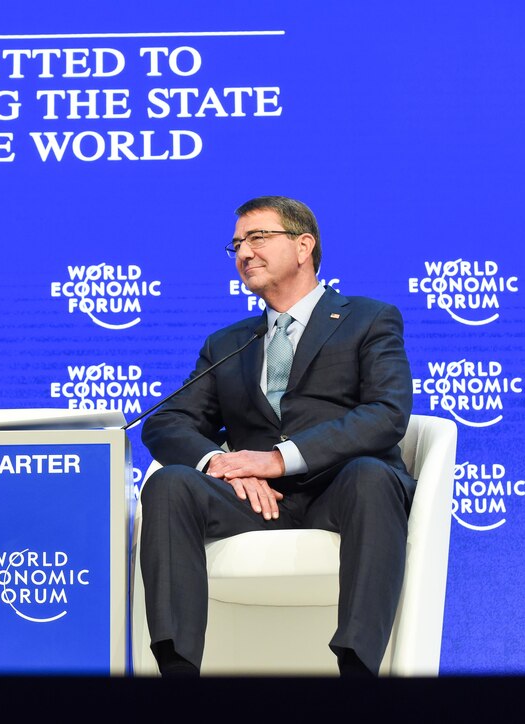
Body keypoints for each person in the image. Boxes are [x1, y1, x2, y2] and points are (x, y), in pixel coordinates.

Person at [140, 196, 415, 678]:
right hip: (254, 502)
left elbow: (386, 414)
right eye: (237, 244)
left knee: (373, 476)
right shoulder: (228, 342)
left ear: (304, 245)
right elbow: (165, 422)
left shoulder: (369, 319)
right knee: (169, 484)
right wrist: (220, 464)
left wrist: (278, 458)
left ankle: (357, 669)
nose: (244, 252)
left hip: (342, 489)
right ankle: (177, 672)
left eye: (258, 237)